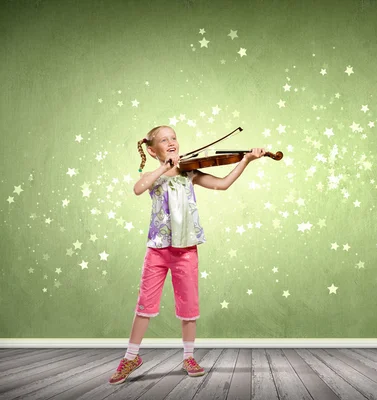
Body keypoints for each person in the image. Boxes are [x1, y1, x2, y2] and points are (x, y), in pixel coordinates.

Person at [109, 125, 265, 385]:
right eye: (163, 140)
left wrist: (246, 160)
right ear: (152, 149)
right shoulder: (154, 175)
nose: (171, 142)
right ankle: (131, 357)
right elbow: (138, 188)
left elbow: (223, 184)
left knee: (189, 306)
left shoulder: (189, 172)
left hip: (186, 250)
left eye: (173, 138)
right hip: (157, 249)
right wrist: (163, 167)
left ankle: (189, 356)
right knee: (144, 305)